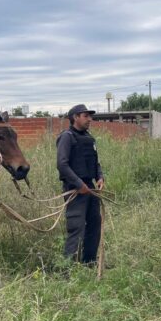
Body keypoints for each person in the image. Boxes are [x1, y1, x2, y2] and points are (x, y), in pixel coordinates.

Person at [56, 104, 105, 266]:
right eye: (86, 116)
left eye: (90, 116)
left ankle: (89, 262)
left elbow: (96, 162)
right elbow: (62, 165)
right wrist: (78, 184)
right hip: (74, 190)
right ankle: (68, 267)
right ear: (75, 117)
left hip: (90, 188)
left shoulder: (89, 138)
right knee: (76, 228)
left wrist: (100, 177)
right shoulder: (67, 137)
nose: (89, 119)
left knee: (94, 225)